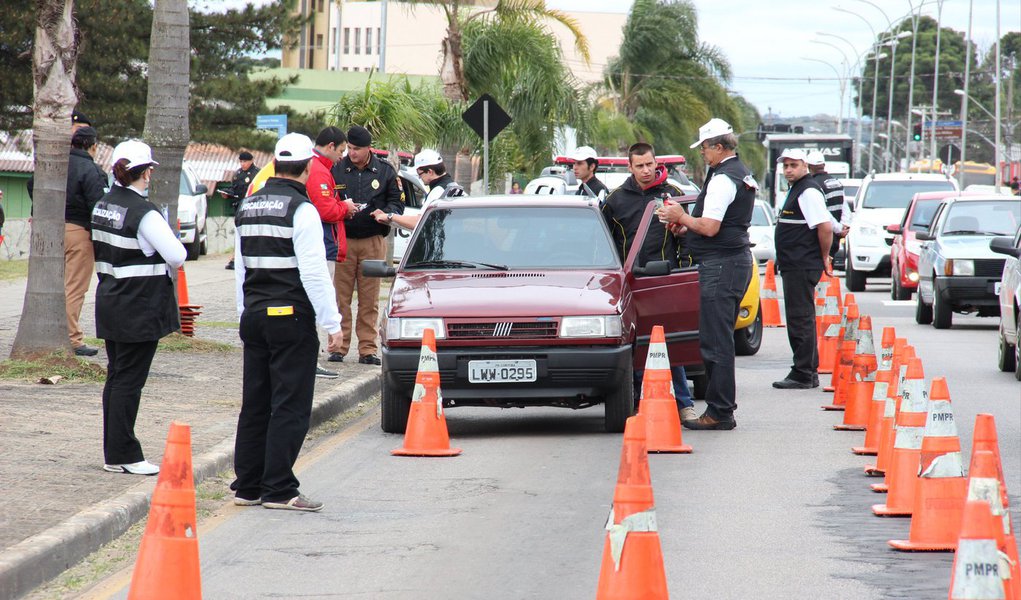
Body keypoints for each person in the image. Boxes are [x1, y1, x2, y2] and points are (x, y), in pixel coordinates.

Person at [231, 133, 342, 512]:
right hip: (290, 318)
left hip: (255, 316)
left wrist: (241, 312)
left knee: (256, 402)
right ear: (309, 166)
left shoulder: (247, 207)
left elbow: (240, 268)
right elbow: (313, 273)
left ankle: (248, 486)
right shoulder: (302, 209)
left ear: (275, 164)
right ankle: (278, 488)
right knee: (291, 405)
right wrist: (332, 322)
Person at [91, 140, 186, 475]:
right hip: (139, 308)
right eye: (149, 171)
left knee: (117, 379)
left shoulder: (103, 205)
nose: (150, 177)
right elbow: (178, 255)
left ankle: (114, 453)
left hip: (111, 301)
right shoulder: (144, 212)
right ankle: (125, 454)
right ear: (144, 172)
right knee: (129, 382)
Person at [657, 119, 755, 431]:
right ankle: (720, 408)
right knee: (718, 338)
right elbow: (717, 224)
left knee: (716, 342)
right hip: (730, 262)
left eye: (705, 148)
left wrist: (681, 215)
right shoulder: (735, 173)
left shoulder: (724, 178)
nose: (703, 154)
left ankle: (720, 411)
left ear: (718, 146)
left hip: (723, 265)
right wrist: (686, 225)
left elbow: (711, 227)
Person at [601, 142, 695, 420]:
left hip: (666, 282)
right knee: (633, 345)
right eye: (639, 165)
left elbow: (690, 237)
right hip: (629, 284)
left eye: (649, 164)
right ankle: (639, 402)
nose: (646, 170)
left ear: (657, 163)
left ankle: (684, 404)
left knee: (669, 345)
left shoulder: (674, 196)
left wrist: (686, 273)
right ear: (629, 167)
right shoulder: (615, 200)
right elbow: (604, 243)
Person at [27, 126, 108, 356]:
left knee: (51, 285)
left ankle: (46, 331)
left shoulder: (56, 163)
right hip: (77, 231)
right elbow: (97, 204)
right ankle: (72, 338)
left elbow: (31, 184)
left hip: (49, 230)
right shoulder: (91, 170)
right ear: (93, 146)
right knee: (74, 287)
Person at [331, 125, 404, 365]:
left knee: (369, 297)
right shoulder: (337, 169)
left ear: (368, 148)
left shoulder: (384, 171)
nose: (352, 153)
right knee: (340, 297)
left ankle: (368, 349)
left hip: (373, 241)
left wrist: (387, 213)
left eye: (357, 149)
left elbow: (397, 202)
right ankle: (338, 347)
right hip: (344, 240)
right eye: (349, 148)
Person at [771, 148, 834, 390]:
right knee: (800, 318)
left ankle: (803, 372)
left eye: (793, 165)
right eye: (785, 165)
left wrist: (824, 256)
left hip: (801, 264)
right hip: (794, 264)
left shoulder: (807, 191)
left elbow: (825, 227)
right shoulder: (798, 189)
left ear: (805, 165)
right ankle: (806, 369)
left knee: (800, 319)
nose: (788, 170)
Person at [307, 126, 357, 369]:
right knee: (319, 299)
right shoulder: (317, 170)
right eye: (341, 150)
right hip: (321, 245)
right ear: (330, 146)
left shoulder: (318, 167)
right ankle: (311, 355)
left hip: (321, 244)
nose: (342, 156)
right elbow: (325, 210)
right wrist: (344, 208)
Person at [372, 149, 461, 231]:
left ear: (430, 172)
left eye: (420, 174)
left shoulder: (438, 191)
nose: (419, 177)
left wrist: (390, 216)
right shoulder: (453, 186)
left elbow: (418, 223)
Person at [223, 151, 260, 270]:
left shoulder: (257, 174)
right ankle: (236, 258)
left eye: (245, 161)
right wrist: (227, 194)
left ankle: (246, 258)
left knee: (250, 233)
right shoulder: (237, 174)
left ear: (251, 161)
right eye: (241, 161)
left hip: (251, 208)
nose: (243, 164)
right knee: (239, 234)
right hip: (238, 208)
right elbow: (234, 189)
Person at [806, 150, 847, 257]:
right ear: (823, 165)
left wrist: (838, 229)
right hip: (835, 238)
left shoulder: (814, 185)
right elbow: (844, 207)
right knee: (829, 267)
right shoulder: (837, 182)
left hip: (822, 238)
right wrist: (843, 227)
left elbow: (823, 212)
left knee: (822, 269)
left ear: (809, 166)